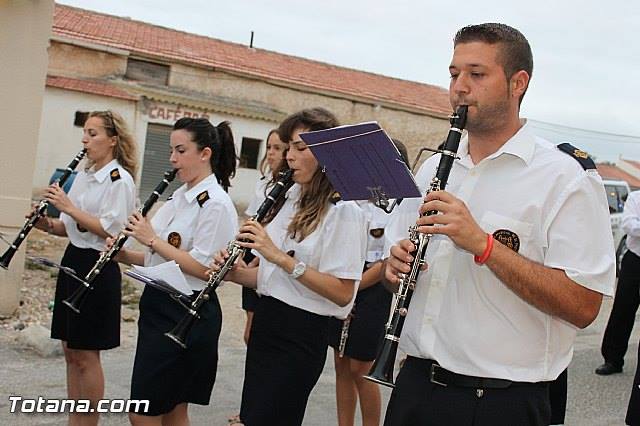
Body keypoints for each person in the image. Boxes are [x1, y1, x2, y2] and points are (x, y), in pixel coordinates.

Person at [382, 23, 615, 425]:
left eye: (476, 74)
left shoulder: (564, 177)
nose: (459, 87)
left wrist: (484, 246)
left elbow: (583, 305)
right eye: (454, 74)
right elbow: (399, 276)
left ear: (517, 83)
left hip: (499, 402)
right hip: (416, 387)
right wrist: (395, 267)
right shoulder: (432, 168)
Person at [212, 107, 367, 426]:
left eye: (301, 148)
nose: (289, 156)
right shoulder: (289, 198)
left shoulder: (344, 211)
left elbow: (342, 293)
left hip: (301, 333)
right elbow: (272, 278)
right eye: (288, 147)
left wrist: (279, 256)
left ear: (326, 153)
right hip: (268, 322)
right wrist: (235, 274)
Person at [112, 117, 238, 425]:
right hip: (160, 307)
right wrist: (123, 254)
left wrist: (151, 238)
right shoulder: (178, 197)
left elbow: (207, 269)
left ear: (205, 153)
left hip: (188, 312)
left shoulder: (216, 204)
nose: (172, 159)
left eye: (180, 151)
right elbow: (161, 260)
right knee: (171, 411)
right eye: (171, 150)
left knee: (143, 413)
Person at [34, 110, 137, 425]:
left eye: (93, 134)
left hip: (99, 265)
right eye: (85, 132)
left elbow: (112, 230)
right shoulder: (83, 176)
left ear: (113, 140)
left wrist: (69, 207)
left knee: (87, 355)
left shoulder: (119, 180)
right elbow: (68, 227)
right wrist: (44, 223)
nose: (85, 139)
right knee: (71, 351)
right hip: (74, 260)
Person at [326, 139, 410, 426]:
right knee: (340, 363)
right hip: (345, 280)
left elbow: (387, 259)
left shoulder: (399, 204)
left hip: (372, 287)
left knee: (362, 368)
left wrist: (352, 289)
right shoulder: (353, 199)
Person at [241, 129, 288, 344]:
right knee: (249, 325)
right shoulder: (264, 181)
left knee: (259, 328)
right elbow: (252, 219)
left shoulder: (291, 187)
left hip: (271, 254)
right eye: (269, 147)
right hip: (253, 252)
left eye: (277, 148)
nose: (270, 153)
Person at [595, 189, 640, 376]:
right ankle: (612, 359)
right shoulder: (636, 197)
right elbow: (629, 224)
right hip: (636, 260)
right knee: (623, 308)